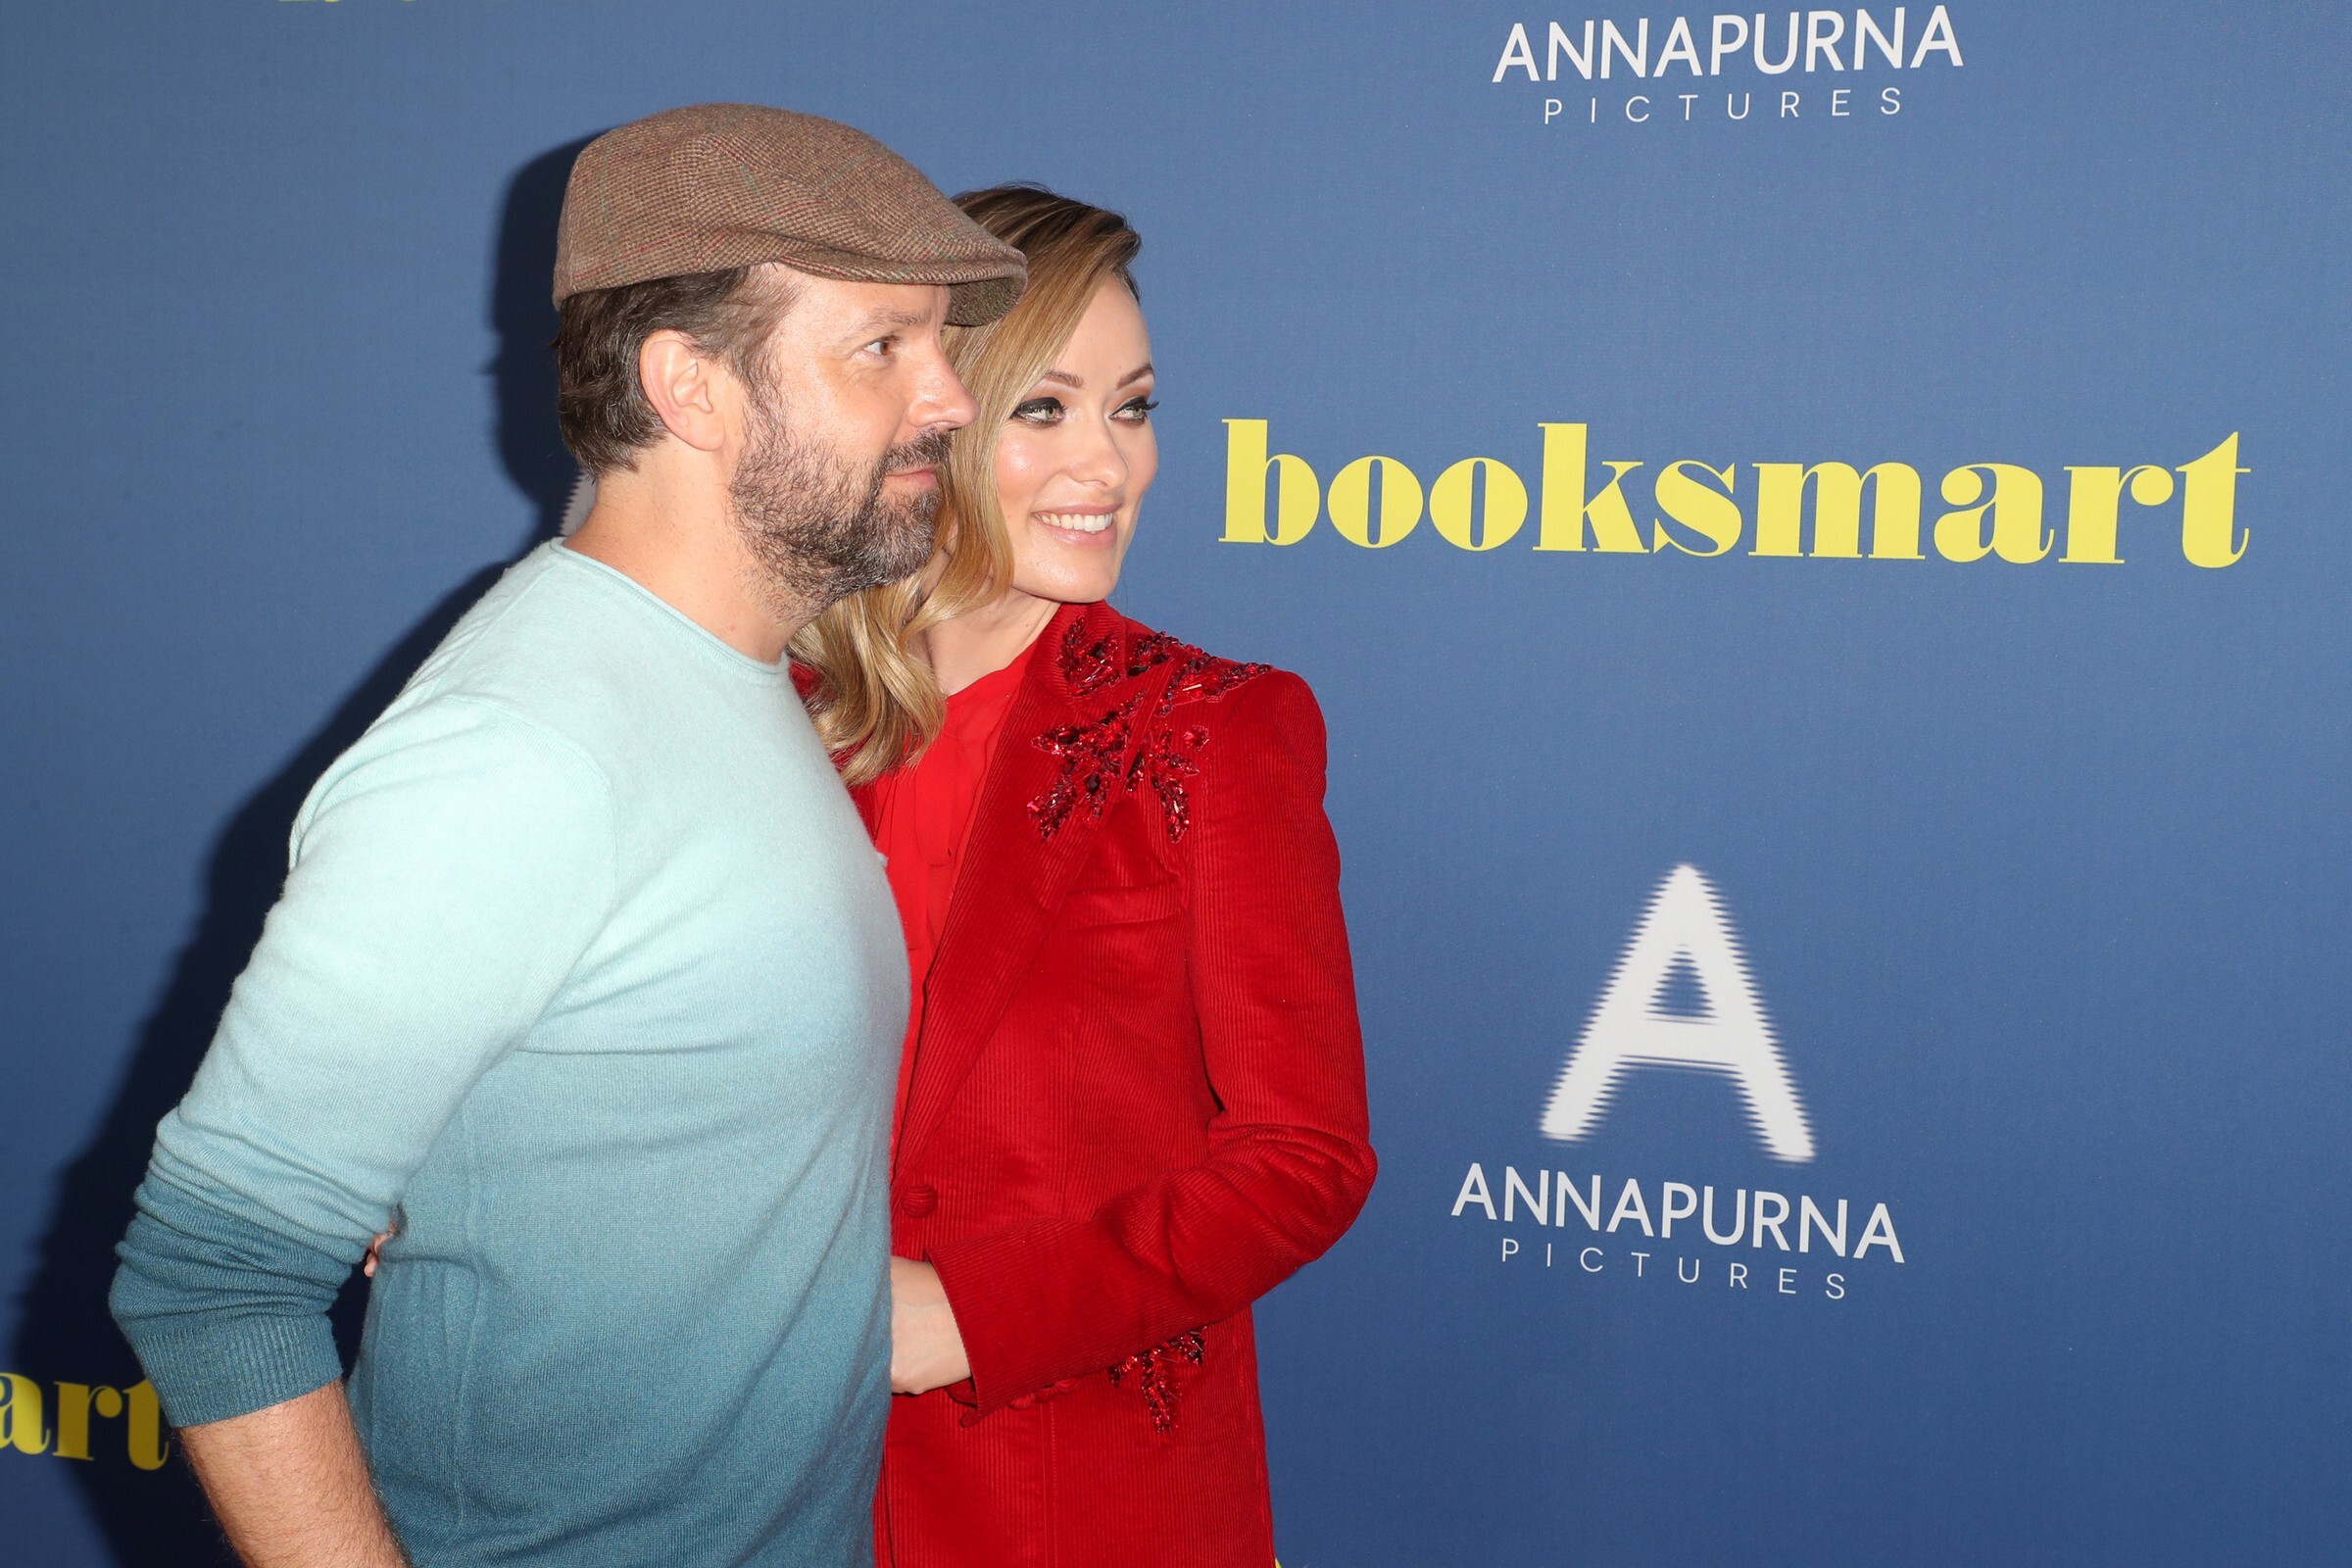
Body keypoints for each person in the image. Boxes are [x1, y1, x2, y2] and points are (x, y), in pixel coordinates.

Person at [108, 104, 1024, 1568]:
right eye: (881, 347)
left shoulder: (715, 682)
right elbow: (214, 1280)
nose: (953, 399)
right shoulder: (520, 751)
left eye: (940, 345)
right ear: (689, 387)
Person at [793, 186, 1378, 1568]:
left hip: (1086, 1493)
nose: (1110, 464)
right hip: (781, 1477)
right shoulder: (768, 721)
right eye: (1046, 409)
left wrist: (974, 1312)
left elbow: (1303, 1159)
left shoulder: (1215, 729)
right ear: (921, 417)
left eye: (1134, 407)